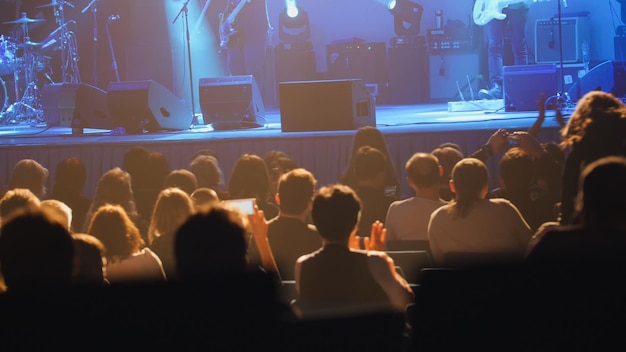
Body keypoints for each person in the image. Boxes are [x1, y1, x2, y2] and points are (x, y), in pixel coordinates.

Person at [295, 184, 414, 316]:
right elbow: (404, 302)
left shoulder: (303, 265)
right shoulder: (375, 262)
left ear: (316, 222)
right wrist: (382, 256)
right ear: (354, 223)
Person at [427, 158, 532, 267]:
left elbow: (438, 262)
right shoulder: (504, 209)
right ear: (486, 186)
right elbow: (530, 244)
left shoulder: (437, 218)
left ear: (452, 186)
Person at [385, 153, 447, 244]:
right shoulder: (454, 212)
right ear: (441, 171)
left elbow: (388, 246)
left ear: (410, 181)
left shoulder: (396, 209)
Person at [477, 1, 530, 100]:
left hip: (518, 5)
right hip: (494, 5)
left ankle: (520, 88)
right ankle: (497, 88)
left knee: (519, 48)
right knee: (494, 47)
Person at [220, 0, 271, 88]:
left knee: (253, 68)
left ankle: (255, 100)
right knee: (234, 70)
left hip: (254, 27)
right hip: (233, 29)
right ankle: (238, 100)